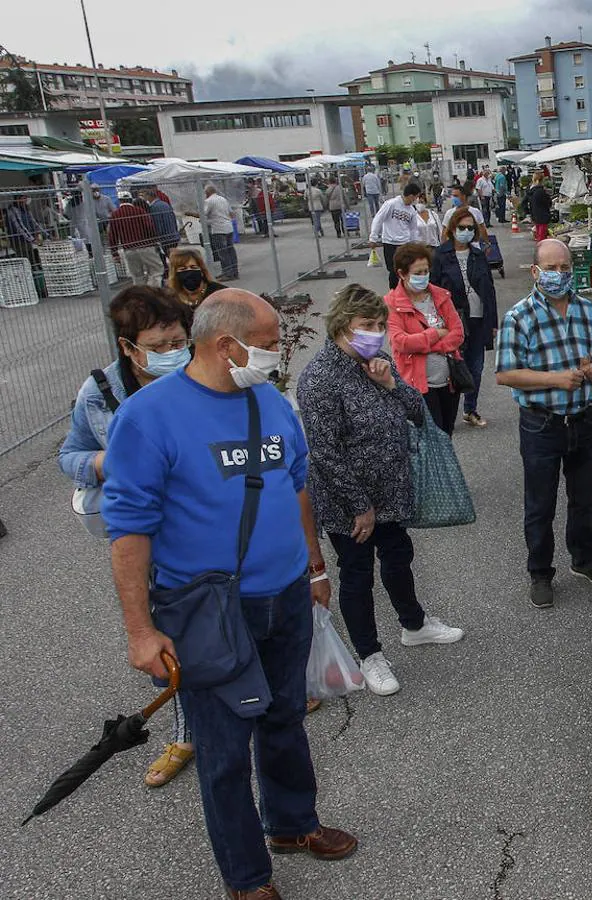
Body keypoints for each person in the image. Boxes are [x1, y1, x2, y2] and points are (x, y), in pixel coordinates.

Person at [102, 289, 358, 898]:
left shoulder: (267, 400)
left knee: (286, 719)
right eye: (269, 345)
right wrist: (141, 631)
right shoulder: (149, 416)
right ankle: (246, 877)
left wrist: (315, 567)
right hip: (210, 610)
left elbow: (297, 485)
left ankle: (292, 825)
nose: (277, 356)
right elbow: (129, 529)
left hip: (286, 596)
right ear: (226, 346)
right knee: (222, 751)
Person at [59, 285, 197, 789]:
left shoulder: (201, 378)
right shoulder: (99, 392)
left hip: (205, 530)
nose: (172, 353)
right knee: (170, 637)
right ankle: (185, 736)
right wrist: (100, 463)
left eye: (178, 340)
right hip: (149, 543)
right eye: (158, 346)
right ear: (127, 346)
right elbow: (69, 455)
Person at [298, 284, 465, 698]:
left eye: (378, 325)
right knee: (357, 575)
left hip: (391, 492)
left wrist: (391, 382)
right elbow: (325, 452)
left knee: (398, 557)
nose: (375, 332)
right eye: (365, 326)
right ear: (341, 327)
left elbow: (415, 412)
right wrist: (360, 506)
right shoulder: (320, 379)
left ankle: (414, 624)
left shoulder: (377, 362)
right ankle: (369, 654)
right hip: (349, 503)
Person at [495, 239, 592, 609]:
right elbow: (505, 374)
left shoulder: (585, 309)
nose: (559, 274)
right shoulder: (519, 317)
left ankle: (584, 558)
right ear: (535, 272)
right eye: (551, 268)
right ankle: (541, 572)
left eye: (565, 267)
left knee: (584, 499)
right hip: (541, 424)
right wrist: (555, 379)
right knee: (540, 504)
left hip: (584, 420)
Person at [383, 242, 465, 434]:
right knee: (431, 438)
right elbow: (401, 342)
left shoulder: (440, 296)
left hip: (449, 380)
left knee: (446, 433)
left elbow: (458, 334)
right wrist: (436, 333)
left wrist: (424, 345)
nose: (423, 277)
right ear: (402, 274)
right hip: (418, 384)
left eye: (426, 271)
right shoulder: (392, 303)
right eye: (417, 273)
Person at [431, 207, 498, 428]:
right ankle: (448, 412)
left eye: (471, 228)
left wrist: (493, 323)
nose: (467, 231)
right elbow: (434, 290)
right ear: (452, 229)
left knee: (475, 368)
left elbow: (489, 290)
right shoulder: (440, 255)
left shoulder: (478, 255)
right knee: (453, 368)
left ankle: (471, 409)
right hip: (453, 321)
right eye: (462, 227)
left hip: (478, 318)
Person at [369, 183, 424, 290]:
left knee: (405, 269)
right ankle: (394, 293)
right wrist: (373, 237)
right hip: (390, 243)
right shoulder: (391, 204)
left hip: (405, 243)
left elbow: (413, 229)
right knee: (393, 271)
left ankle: (405, 291)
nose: (416, 200)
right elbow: (378, 219)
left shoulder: (411, 210)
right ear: (411, 196)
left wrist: (415, 245)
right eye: (416, 197)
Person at [109, 191, 165, 287]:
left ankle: (140, 296)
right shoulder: (139, 211)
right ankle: (154, 292)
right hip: (146, 246)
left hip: (129, 249)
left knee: (137, 276)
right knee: (156, 271)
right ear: (131, 200)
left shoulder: (115, 215)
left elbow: (113, 234)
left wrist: (115, 253)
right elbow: (149, 227)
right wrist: (154, 242)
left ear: (119, 201)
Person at [204, 184, 239, 281]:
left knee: (222, 252)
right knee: (230, 250)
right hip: (228, 227)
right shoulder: (223, 199)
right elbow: (231, 213)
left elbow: (203, 214)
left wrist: (189, 213)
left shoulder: (209, 201)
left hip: (218, 229)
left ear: (207, 192)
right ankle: (234, 272)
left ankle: (227, 273)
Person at [143, 189, 181, 277]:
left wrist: (156, 237)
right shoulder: (165, 204)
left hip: (165, 237)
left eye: (145, 196)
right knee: (173, 256)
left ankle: (174, 274)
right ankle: (176, 272)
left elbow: (157, 223)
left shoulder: (154, 208)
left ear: (149, 196)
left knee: (168, 256)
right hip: (173, 234)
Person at [4, 195, 42, 269]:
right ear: (18, 199)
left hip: (27, 240)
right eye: (23, 198)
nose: (25, 200)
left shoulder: (25, 209)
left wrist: (44, 234)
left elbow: (34, 222)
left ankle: (35, 272)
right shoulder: (13, 210)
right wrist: (32, 239)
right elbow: (19, 227)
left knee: (32, 260)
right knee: (25, 261)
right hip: (18, 241)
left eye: (26, 198)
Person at [525, 178, 553, 243]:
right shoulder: (541, 191)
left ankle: (539, 247)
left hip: (535, 214)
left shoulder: (531, 191)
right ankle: (541, 248)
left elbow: (524, 202)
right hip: (542, 215)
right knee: (542, 234)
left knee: (539, 233)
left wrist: (527, 212)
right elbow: (547, 203)